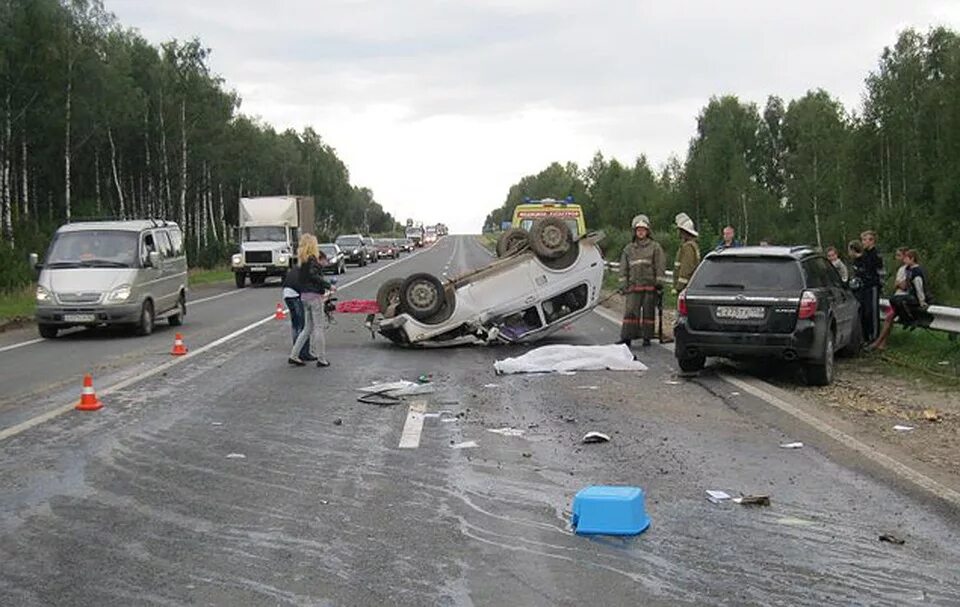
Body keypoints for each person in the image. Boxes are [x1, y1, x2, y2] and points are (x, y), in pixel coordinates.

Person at [870, 250, 933, 350]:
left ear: (911, 258)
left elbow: (917, 286)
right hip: (903, 298)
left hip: (908, 298)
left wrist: (922, 301)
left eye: (902, 256)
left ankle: (880, 342)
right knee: (889, 316)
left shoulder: (915, 271)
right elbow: (898, 284)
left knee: (890, 315)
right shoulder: (906, 269)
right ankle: (880, 343)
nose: (900, 259)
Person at [618, 214, 665, 347]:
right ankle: (627, 337)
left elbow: (660, 265)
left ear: (647, 231)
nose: (641, 232)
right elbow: (623, 268)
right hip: (633, 287)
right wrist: (623, 284)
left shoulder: (655, 247)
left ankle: (647, 337)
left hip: (650, 287)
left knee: (648, 313)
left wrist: (659, 283)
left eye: (643, 230)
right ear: (635, 231)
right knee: (630, 312)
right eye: (638, 230)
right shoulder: (628, 249)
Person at [289, 235, 332, 367]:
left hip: (304, 296)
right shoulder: (312, 260)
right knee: (318, 327)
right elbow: (314, 277)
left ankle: (294, 354)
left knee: (307, 328)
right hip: (314, 296)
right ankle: (322, 358)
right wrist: (328, 286)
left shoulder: (301, 261)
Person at [281, 268, 314, 362]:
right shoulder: (307, 271)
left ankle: (297, 351)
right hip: (295, 296)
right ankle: (302, 353)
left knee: (295, 325)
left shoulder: (297, 268)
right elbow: (307, 287)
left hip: (287, 295)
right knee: (303, 326)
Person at [858, 230, 884, 342]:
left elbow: (879, 271)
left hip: (873, 286)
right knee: (864, 311)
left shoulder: (876, 254)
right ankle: (865, 336)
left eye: (865, 240)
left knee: (871, 312)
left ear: (871, 241)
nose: (863, 242)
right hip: (864, 286)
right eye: (862, 240)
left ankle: (875, 337)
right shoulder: (864, 254)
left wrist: (879, 284)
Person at [673, 212, 701, 294]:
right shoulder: (692, 245)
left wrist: (679, 287)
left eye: (679, 230)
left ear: (683, 231)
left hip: (686, 288)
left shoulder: (688, 247)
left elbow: (686, 269)